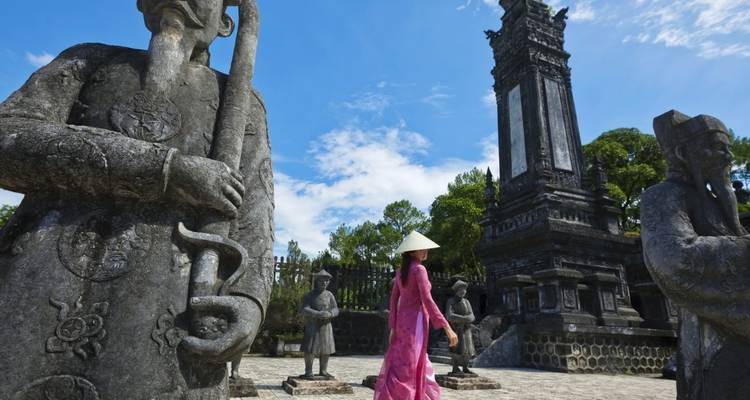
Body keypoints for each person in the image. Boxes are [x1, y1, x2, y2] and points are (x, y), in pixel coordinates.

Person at [0, 0, 273, 397]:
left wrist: (249, 300)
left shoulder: (243, 104)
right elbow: (9, 139)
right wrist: (167, 170)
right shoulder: (88, 62)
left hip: (171, 323)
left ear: (226, 23)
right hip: (34, 302)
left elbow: (254, 210)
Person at [641, 110, 750, 400]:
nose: (727, 155)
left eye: (728, 147)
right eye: (715, 146)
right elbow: (674, 259)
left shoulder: (718, 206)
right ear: (682, 153)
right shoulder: (663, 196)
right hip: (713, 354)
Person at [374, 231, 459, 400]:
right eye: (422, 248)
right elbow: (427, 300)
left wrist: (393, 326)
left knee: (401, 364)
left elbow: (393, 301)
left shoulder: (401, 271)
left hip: (402, 324)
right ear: (413, 251)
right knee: (414, 363)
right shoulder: (419, 269)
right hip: (415, 324)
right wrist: (447, 327)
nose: (426, 250)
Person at [300, 269, 340, 378]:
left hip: (326, 326)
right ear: (317, 281)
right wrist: (317, 313)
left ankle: (323, 370)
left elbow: (336, 309)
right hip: (313, 325)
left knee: (326, 349)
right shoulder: (310, 295)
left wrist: (330, 313)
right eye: (322, 281)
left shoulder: (329, 295)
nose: (324, 283)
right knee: (310, 349)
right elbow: (304, 309)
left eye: (326, 281)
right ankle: (308, 371)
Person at [445, 280, 476, 375]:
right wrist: (464, 318)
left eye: (464, 289)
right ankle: (455, 368)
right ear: (456, 290)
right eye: (460, 289)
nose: (463, 291)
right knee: (456, 348)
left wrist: (467, 319)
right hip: (455, 329)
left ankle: (465, 367)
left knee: (468, 349)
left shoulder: (466, 302)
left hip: (466, 329)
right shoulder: (451, 301)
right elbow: (450, 315)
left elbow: (472, 316)